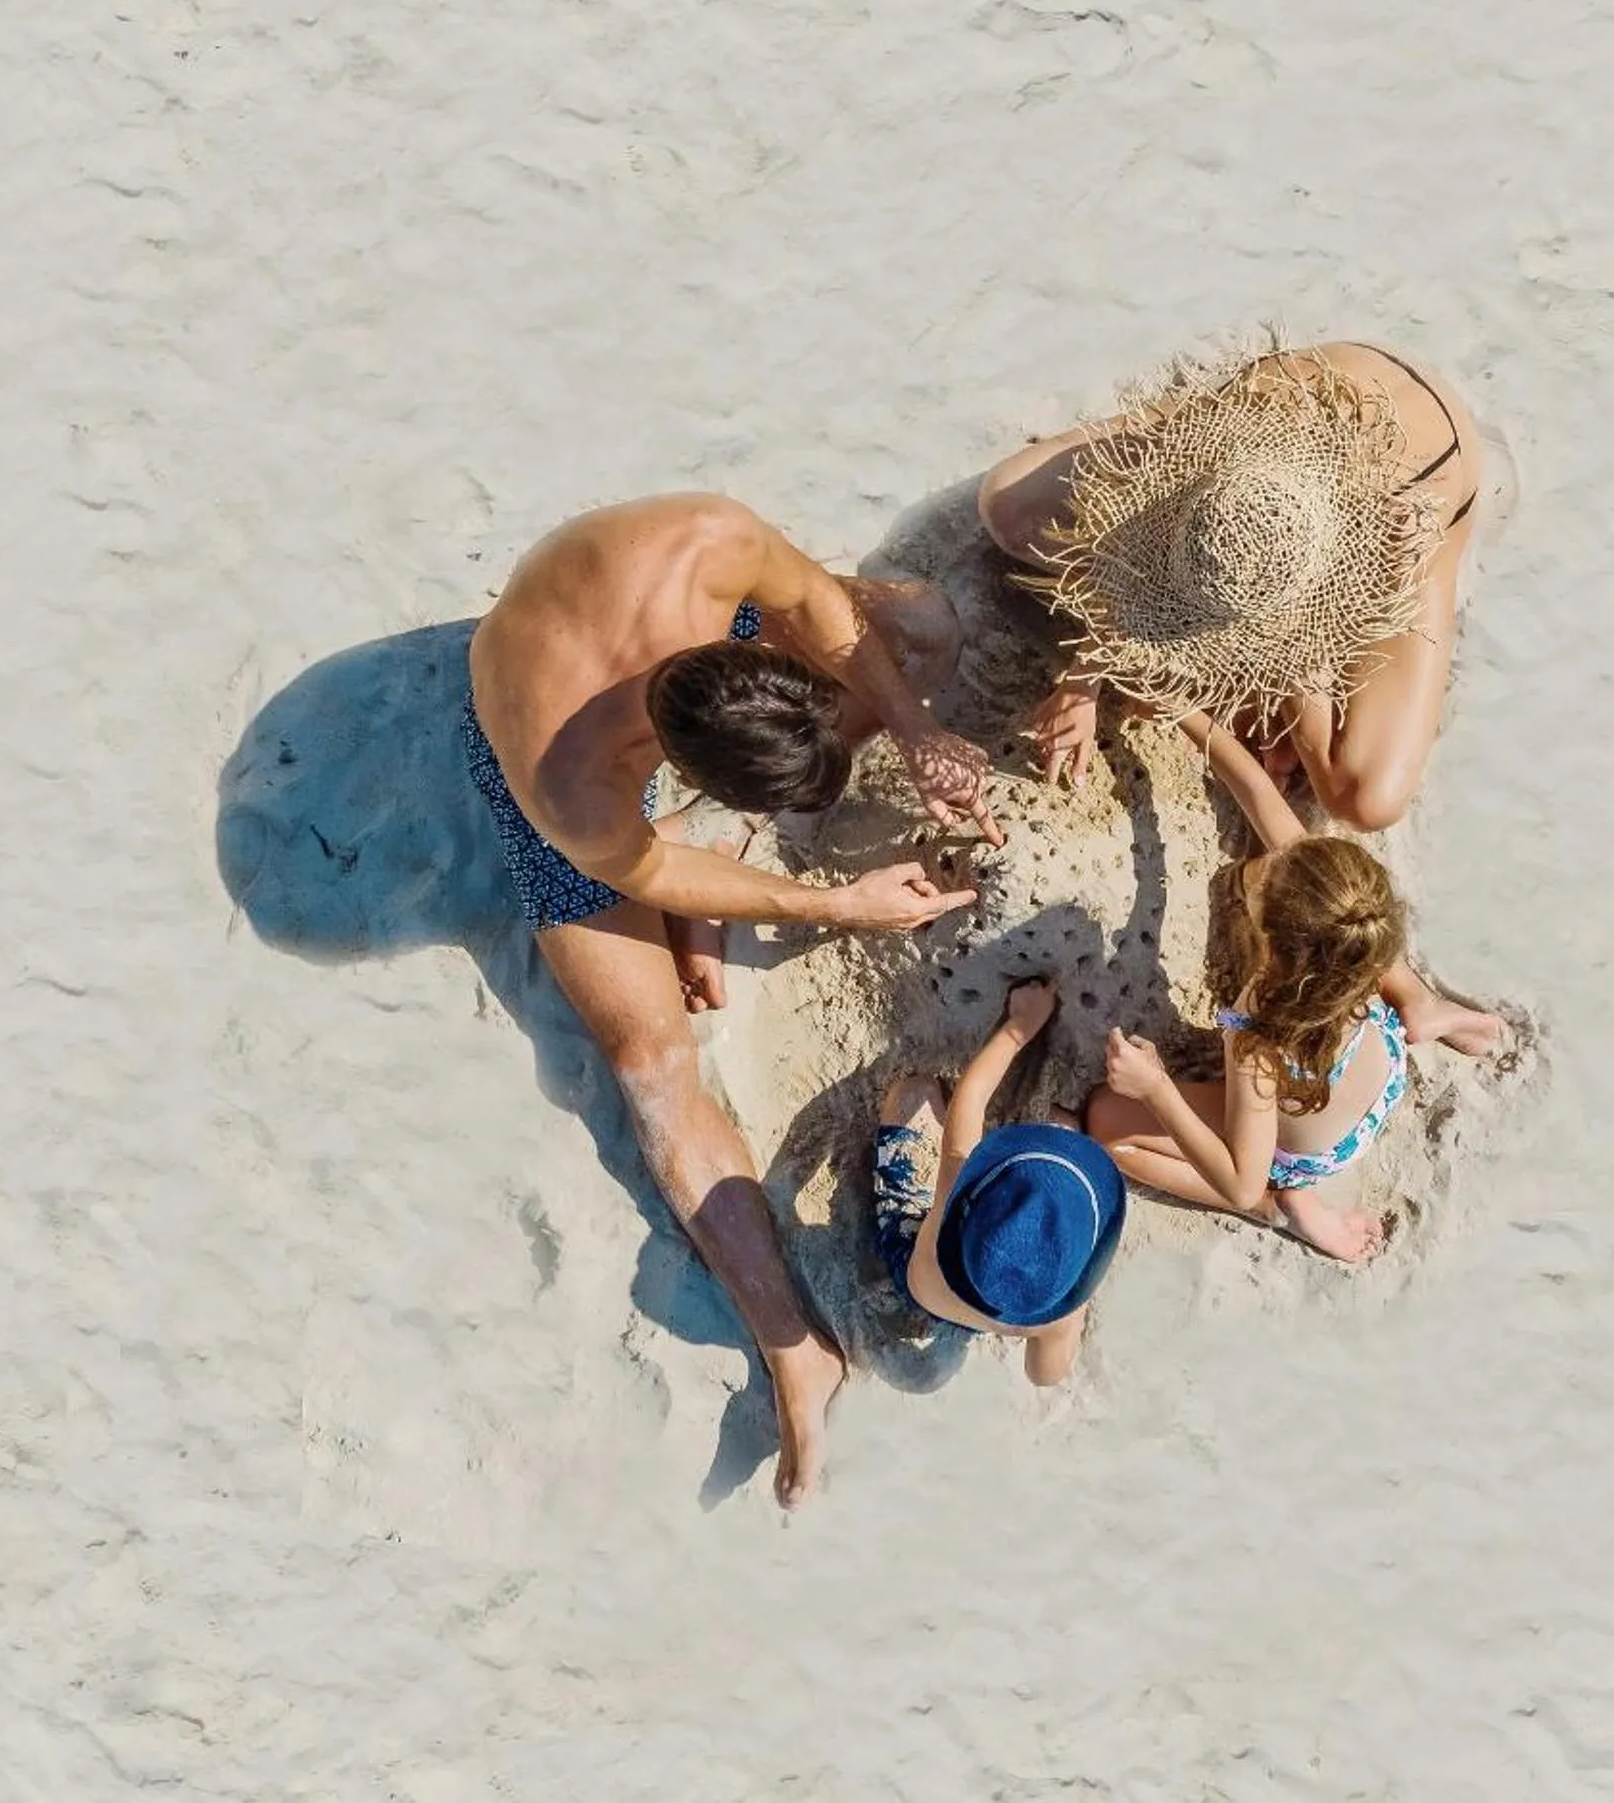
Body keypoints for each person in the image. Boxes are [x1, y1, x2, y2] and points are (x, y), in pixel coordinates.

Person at [466, 491, 1001, 1507]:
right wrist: (837, 902)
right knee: (651, 1069)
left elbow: (820, 610)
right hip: (543, 756)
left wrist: (913, 726)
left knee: (921, 625)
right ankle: (794, 1349)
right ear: (678, 776)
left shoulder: (709, 545)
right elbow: (656, 871)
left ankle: (753, 839)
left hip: (675, 678)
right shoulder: (573, 790)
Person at [977, 339, 1501, 832]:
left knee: (1366, 801)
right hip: (1311, 393)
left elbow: (1305, 637)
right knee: (1009, 509)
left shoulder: (1387, 538)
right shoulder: (1237, 458)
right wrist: (1083, 677)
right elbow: (1159, 556)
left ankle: (1272, 700)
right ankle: (1260, 688)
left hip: (1429, 476)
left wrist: (1272, 787)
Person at [1084, 713, 1506, 1264]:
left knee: (1108, 1123)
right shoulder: (1350, 953)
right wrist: (1185, 711)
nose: (1262, 877)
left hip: (1305, 1156)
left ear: (1275, 947)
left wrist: (1155, 1087)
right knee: (1357, 924)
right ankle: (1424, 1007)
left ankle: (1281, 1210)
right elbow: (1260, 795)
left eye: (1263, 896)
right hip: (1379, 1085)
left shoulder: (1258, 1031)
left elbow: (1239, 1177)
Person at [870, 976, 1125, 1386]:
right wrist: (1072, 1310)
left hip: (919, 1272)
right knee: (1063, 1124)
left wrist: (1020, 1025)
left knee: (913, 1094)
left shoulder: (954, 1189)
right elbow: (1045, 1376)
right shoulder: (1054, 1314)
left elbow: (970, 1097)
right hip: (1001, 1308)